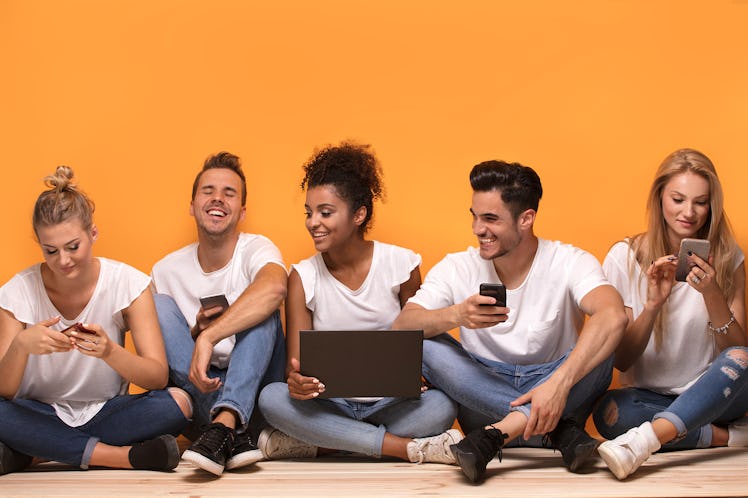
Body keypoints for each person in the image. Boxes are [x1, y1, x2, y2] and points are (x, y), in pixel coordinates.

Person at [393, 160, 627, 483]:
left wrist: (557, 385)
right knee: (423, 345)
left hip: (550, 395)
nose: (478, 229)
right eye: (474, 216)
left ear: (526, 219)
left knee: (604, 352)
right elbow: (401, 326)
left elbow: (613, 315)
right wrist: (457, 315)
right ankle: (557, 433)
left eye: (490, 219)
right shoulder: (457, 267)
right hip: (484, 396)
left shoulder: (569, 261)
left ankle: (500, 433)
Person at [258, 142, 461, 465]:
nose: (313, 223)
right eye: (309, 213)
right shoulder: (302, 276)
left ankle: (327, 441)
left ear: (359, 214)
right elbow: (294, 366)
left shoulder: (401, 264)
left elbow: (422, 340)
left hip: (391, 403)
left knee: (443, 406)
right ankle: (401, 448)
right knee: (272, 399)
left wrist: (420, 377)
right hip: (329, 404)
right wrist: (297, 383)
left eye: (326, 213)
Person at [0, 166, 191, 475]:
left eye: (73, 246)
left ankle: (33, 452)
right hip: (37, 412)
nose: (63, 260)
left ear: (93, 233)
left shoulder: (128, 283)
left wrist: (109, 352)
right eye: (51, 251)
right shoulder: (17, 291)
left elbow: (156, 377)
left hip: (106, 412)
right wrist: (21, 346)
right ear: (39, 245)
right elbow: (5, 391)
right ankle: (122, 457)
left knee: (179, 402)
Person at [593, 148, 748, 479]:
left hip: (716, 394)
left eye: (700, 202)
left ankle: (646, 439)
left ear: (712, 205)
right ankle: (727, 437)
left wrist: (711, 294)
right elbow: (621, 360)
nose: (688, 212)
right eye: (678, 199)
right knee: (609, 414)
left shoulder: (728, 257)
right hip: (648, 397)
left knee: (742, 362)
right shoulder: (624, 257)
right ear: (660, 197)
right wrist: (653, 304)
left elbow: (737, 352)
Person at [151, 151, 287, 476]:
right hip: (202, 393)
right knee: (153, 305)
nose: (218, 199)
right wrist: (194, 336)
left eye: (229, 193)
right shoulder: (165, 270)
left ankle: (227, 421)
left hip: (257, 392)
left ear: (241, 212)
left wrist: (210, 336)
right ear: (192, 204)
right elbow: (168, 357)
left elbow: (275, 287)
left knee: (263, 308)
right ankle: (230, 433)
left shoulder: (257, 248)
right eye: (208, 191)